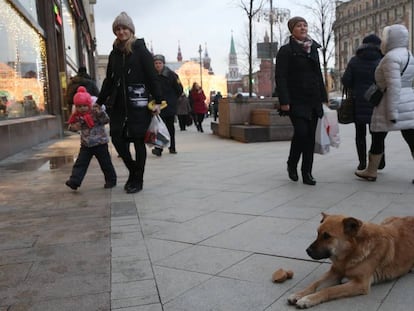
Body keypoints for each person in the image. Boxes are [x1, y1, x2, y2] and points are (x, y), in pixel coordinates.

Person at [96, 12, 163, 194]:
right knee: (117, 138)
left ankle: (137, 180)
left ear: (131, 30)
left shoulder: (141, 51)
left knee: (138, 140)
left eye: (124, 28)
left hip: (139, 104)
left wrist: (158, 100)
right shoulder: (114, 54)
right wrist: (100, 101)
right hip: (118, 104)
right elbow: (108, 81)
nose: (121, 32)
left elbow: (152, 77)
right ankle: (134, 170)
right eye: (117, 29)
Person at [355, 24, 414, 183]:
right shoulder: (408, 55)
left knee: (378, 136)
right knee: (411, 138)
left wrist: (392, 112)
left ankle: (371, 171)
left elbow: (394, 85)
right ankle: (371, 170)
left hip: (390, 102)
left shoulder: (391, 58)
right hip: (408, 102)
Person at [275, 16, 327, 185]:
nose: (303, 28)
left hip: (313, 99)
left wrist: (324, 97)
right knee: (302, 132)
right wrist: (284, 100)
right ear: (292, 29)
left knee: (309, 136)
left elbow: (318, 74)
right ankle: (292, 163)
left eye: (305, 25)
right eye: (299, 26)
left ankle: (307, 172)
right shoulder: (286, 50)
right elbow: (280, 77)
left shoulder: (313, 49)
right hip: (295, 99)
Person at [342, 34, 385, 170]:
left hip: (358, 101)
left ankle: (362, 162)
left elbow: (346, 80)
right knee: (377, 133)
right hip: (377, 101)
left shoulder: (355, 60)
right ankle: (379, 161)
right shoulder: (383, 60)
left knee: (360, 134)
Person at [65, 86, 117, 190]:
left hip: (100, 143)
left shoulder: (95, 112)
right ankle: (75, 181)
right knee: (80, 163)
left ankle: (111, 180)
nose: (82, 108)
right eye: (79, 106)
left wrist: (100, 112)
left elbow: (106, 120)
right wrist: (73, 127)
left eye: (84, 105)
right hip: (86, 144)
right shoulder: (77, 116)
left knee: (105, 163)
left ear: (89, 104)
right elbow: (71, 125)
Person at [152, 54, 183, 156]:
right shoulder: (152, 76)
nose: (157, 65)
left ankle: (172, 146)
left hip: (169, 105)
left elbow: (179, 89)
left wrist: (172, 99)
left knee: (170, 127)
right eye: (156, 63)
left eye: (159, 63)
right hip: (157, 105)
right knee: (159, 127)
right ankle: (159, 148)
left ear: (163, 64)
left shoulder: (171, 75)